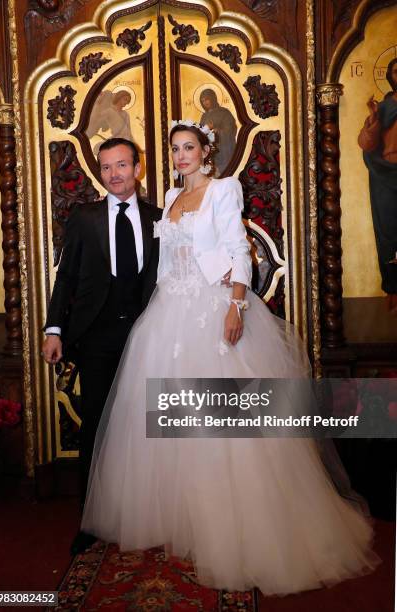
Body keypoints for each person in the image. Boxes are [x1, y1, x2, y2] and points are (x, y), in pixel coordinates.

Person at [82, 121, 379, 594]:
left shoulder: (224, 189)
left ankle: (237, 524)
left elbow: (240, 249)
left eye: (189, 148)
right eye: (176, 149)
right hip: (168, 312)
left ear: (206, 151)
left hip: (214, 308)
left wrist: (237, 304)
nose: (181, 156)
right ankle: (186, 518)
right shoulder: (170, 197)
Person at [42, 137, 162, 552]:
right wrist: (53, 329)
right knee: (96, 423)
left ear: (137, 167)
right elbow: (66, 278)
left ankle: (152, 509)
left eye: (122, 165)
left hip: (149, 332)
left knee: (149, 423)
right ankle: (90, 519)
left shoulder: (160, 218)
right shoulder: (85, 217)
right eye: (107, 167)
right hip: (97, 336)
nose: (115, 174)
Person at [358, 57, 397, 314]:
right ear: (390, 76)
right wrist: (373, 120)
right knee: (388, 235)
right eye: (396, 71)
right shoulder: (383, 109)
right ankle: (393, 290)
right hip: (386, 176)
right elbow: (366, 144)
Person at [200, 88, 237, 176]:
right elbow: (201, 132)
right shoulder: (204, 116)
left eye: (207, 99)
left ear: (213, 98)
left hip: (224, 150)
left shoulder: (224, 112)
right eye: (203, 101)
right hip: (210, 152)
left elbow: (231, 129)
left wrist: (216, 130)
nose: (205, 102)